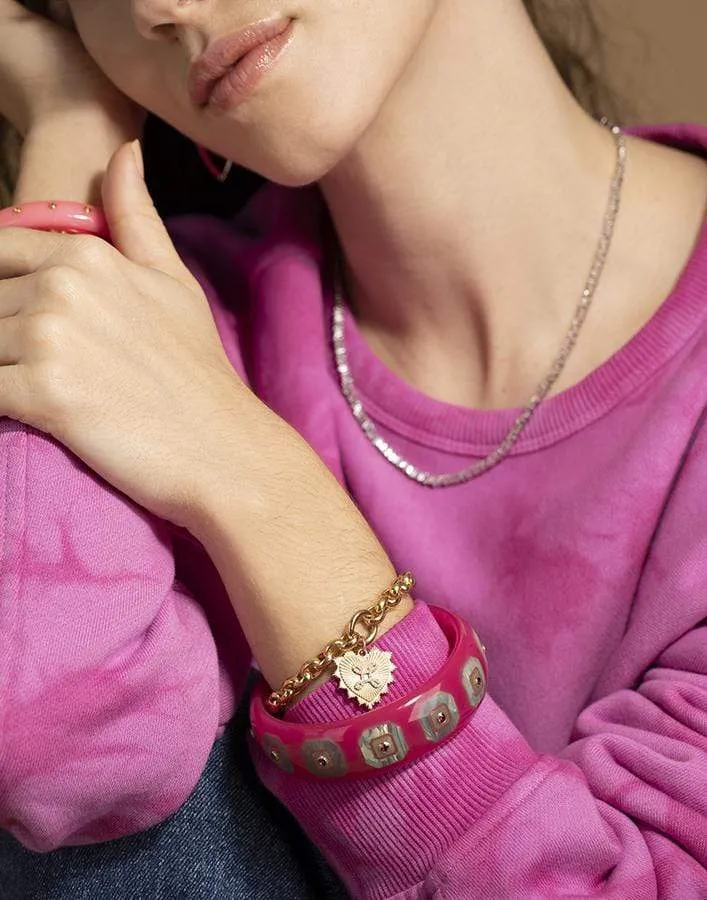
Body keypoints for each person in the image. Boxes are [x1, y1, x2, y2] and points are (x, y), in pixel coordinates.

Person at [0, 0, 705, 897]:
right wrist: (72, 129)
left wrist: (254, 485)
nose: (152, 6)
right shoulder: (165, 331)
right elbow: (40, 748)